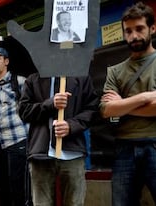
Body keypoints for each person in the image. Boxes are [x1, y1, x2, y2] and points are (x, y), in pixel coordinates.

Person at [100, 2, 156, 205]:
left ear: (153, 28)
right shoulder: (114, 70)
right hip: (125, 147)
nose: (134, 35)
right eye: (128, 31)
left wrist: (123, 106)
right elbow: (107, 110)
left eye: (140, 29)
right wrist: (145, 97)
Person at [18, 74, 99, 205]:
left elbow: (93, 109)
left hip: (73, 153)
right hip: (40, 153)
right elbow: (23, 111)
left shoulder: (81, 78)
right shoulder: (33, 79)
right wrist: (50, 103)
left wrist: (71, 126)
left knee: (74, 203)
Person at [0, 46, 29, 206]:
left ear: (7, 61)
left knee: (19, 190)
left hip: (17, 142)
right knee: (2, 190)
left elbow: (31, 109)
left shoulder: (20, 82)